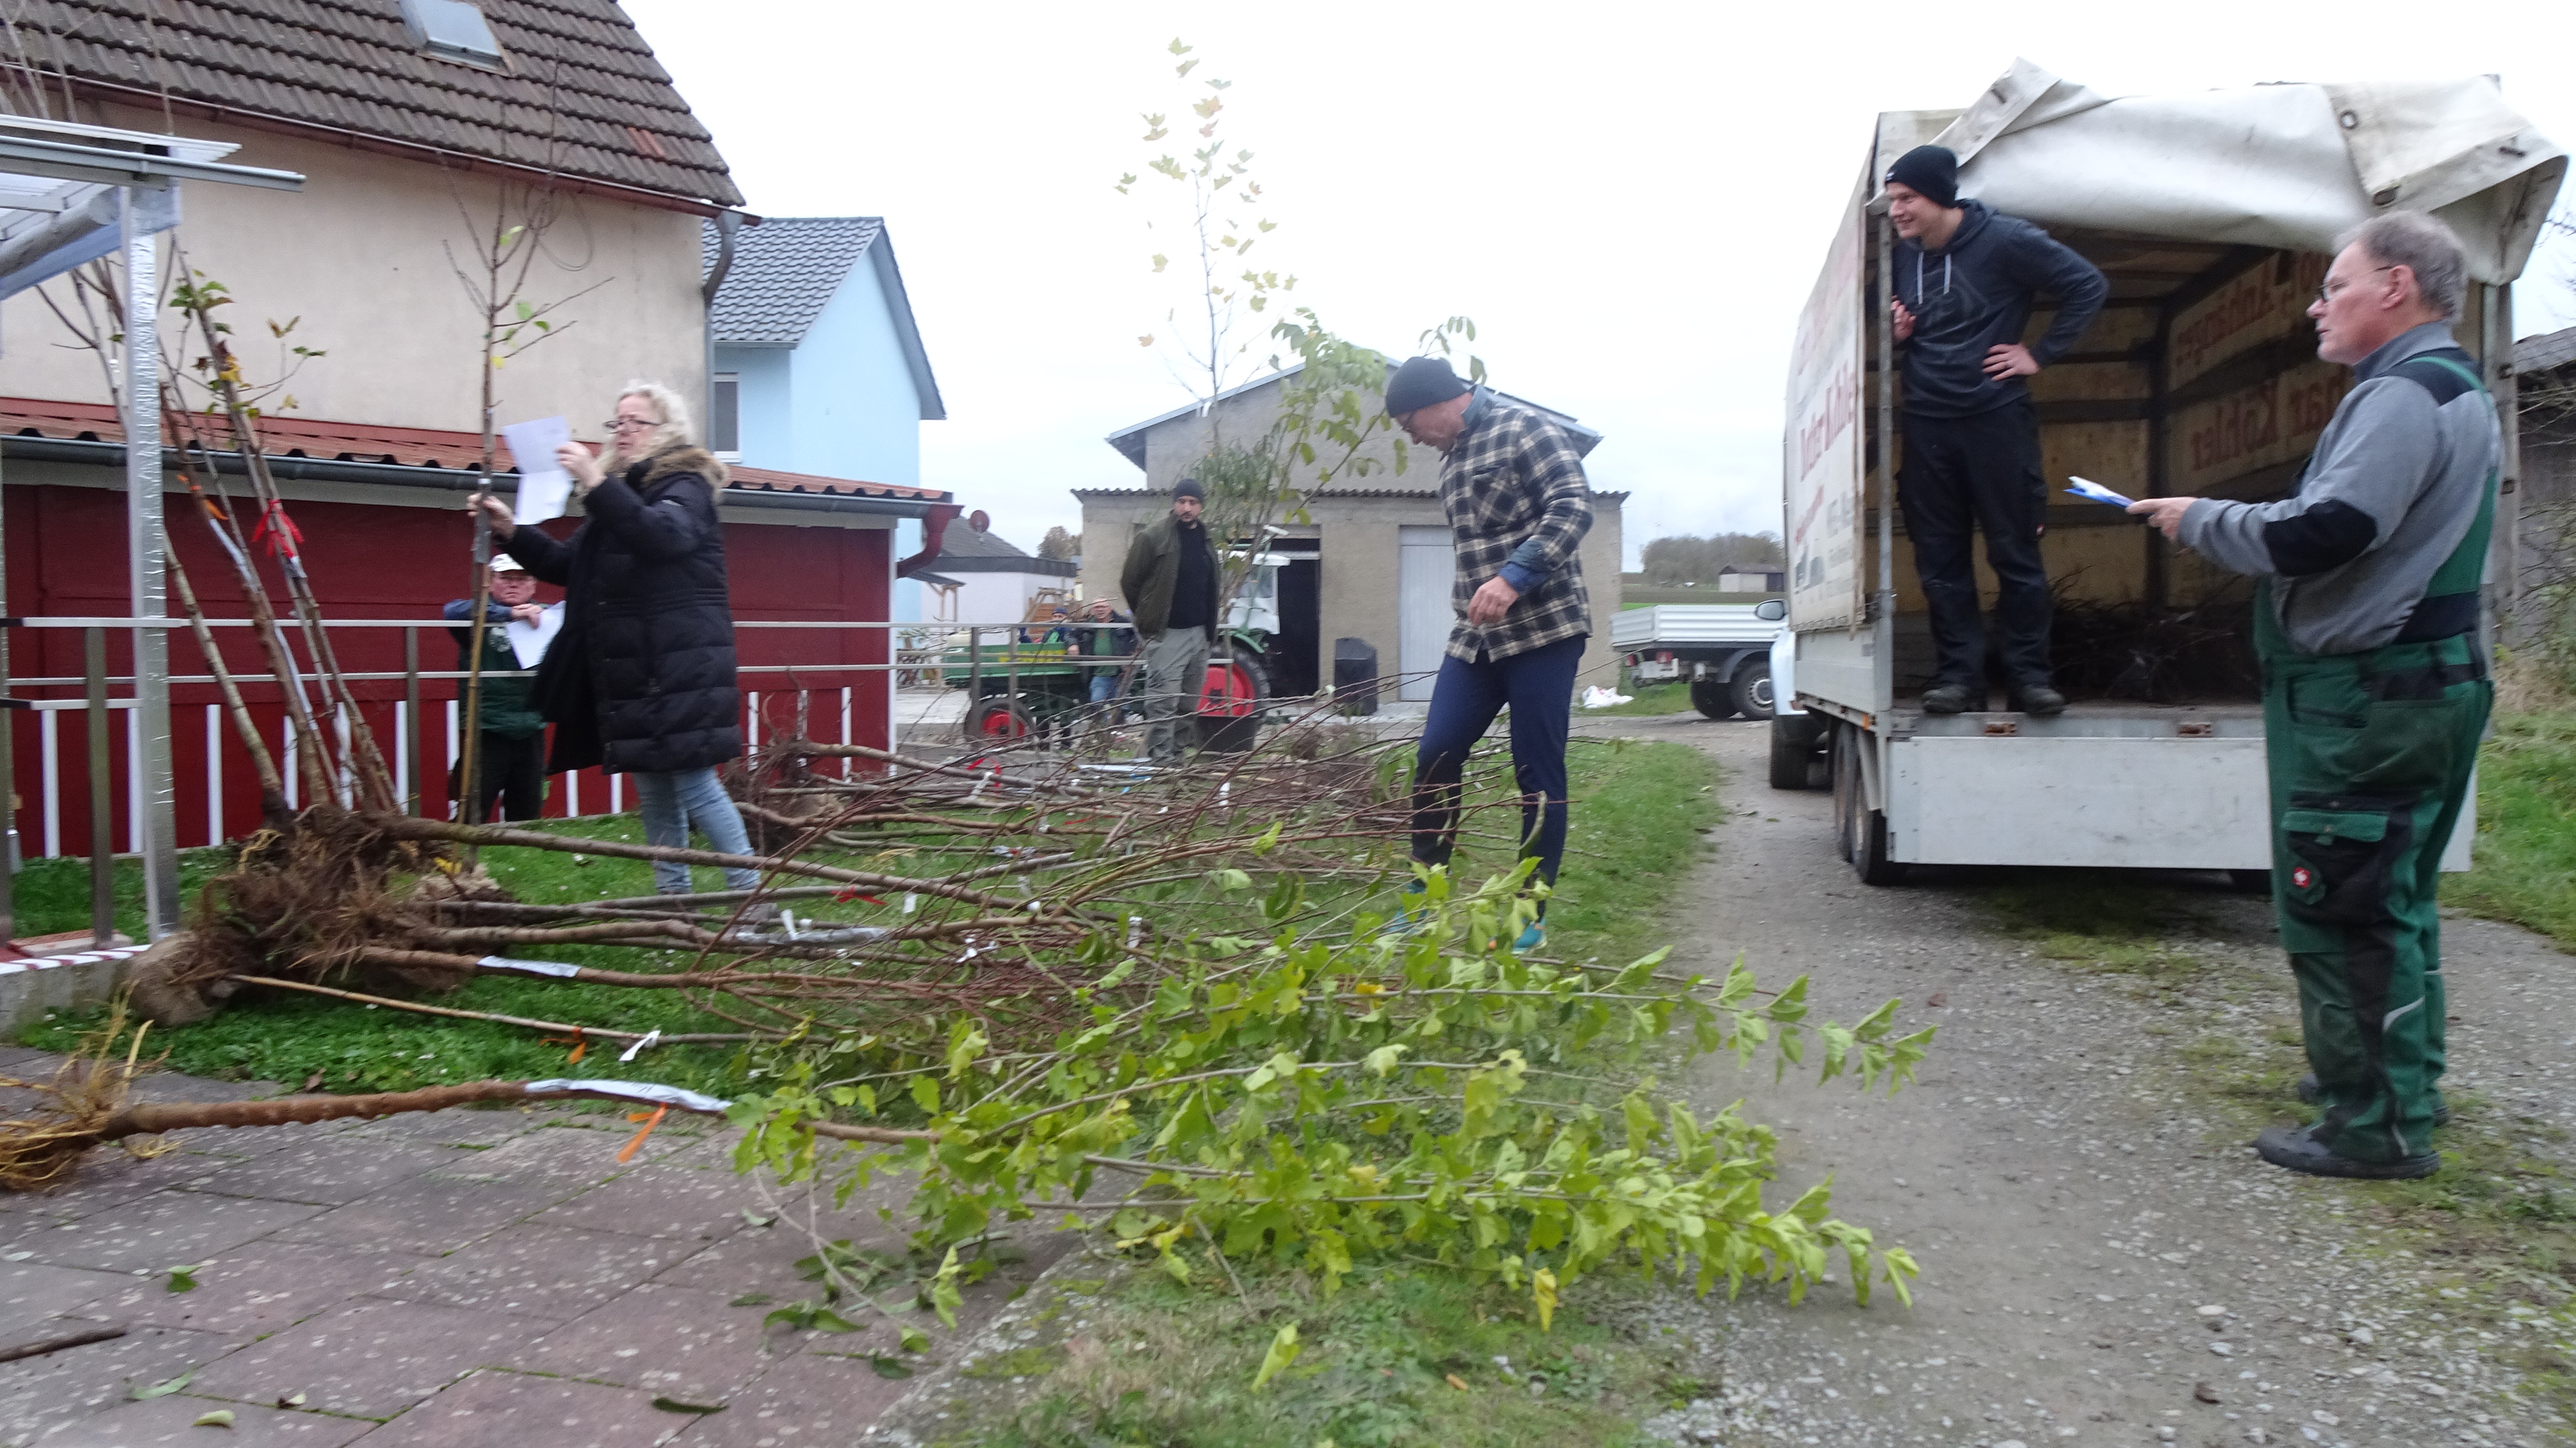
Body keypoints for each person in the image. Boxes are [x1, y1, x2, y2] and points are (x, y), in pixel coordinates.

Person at [2128, 213, 2500, 1180]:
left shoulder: (2402, 396)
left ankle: (2374, 1123)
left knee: (2340, 902)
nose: (2315, 306)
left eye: (2334, 286)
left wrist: (2199, 518)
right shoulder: (2451, 386)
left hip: (2369, 695)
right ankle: (2400, 1083)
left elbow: (2326, 531)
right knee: (2394, 897)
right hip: (2416, 683)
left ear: (2396, 287)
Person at [469, 381, 764, 902]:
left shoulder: (686, 483)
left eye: (636, 421)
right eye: (617, 421)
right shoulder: (620, 495)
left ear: (665, 431)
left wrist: (595, 481)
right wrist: (511, 530)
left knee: (695, 783)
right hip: (636, 668)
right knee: (652, 788)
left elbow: (662, 535)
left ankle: (749, 898)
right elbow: (567, 565)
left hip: (677, 666)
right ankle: (674, 903)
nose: (623, 430)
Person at [1885, 144, 2108, 717]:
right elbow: (1903, 325)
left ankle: (2030, 677)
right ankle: (1960, 678)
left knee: (2015, 553)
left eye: (1906, 198)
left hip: (1995, 419)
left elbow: (2087, 286)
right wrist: (1901, 336)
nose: (1898, 211)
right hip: (1928, 421)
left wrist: (2040, 353)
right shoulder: (1903, 256)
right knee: (1940, 559)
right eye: (1893, 200)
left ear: (1939, 196)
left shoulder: (2007, 240)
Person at [1386, 356, 1593, 951]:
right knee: (1435, 753)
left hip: (1544, 631)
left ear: (1438, 402)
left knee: (1536, 770)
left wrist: (1513, 578)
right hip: (1475, 636)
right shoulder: (1451, 461)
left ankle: (1529, 912)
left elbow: (1574, 506)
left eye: (1410, 425)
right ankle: (1426, 895)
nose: (1414, 438)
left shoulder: (1526, 429)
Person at [1118, 478, 1220, 766]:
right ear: (1174, 503)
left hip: (1200, 634)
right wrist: (1147, 616)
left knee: (1188, 703)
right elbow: (1130, 581)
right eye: (1181, 501)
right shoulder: (1152, 538)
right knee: (1163, 701)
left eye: (1193, 503)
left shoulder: (1205, 538)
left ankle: (1178, 757)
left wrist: (1207, 633)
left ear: (1201, 506)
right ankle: (1160, 760)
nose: (1187, 508)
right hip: (1167, 634)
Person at [442, 555, 550, 822]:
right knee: (472, 810)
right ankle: (463, 856)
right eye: (506, 578)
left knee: (527, 812)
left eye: (522, 578)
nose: (514, 585)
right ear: (491, 582)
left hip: (531, 727)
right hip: (486, 728)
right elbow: (451, 612)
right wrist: (510, 614)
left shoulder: (547, 618)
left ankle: (525, 859)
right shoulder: (476, 612)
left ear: (534, 585)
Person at [1071, 596, 1133, 708]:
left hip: (1120, 674)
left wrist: (1133, 650)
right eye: (1097, 607)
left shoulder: (1123, 623)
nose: (1100, 610)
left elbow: (1139, 635)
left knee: (1121, 707)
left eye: (1103, 607)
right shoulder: (1087, 626)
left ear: (1110, 609)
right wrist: (1073, 644)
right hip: (1099, 675)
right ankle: (1103, 725)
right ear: (1092, 610)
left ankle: (1120, 724)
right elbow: (1070, 635)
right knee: (1097, 702)